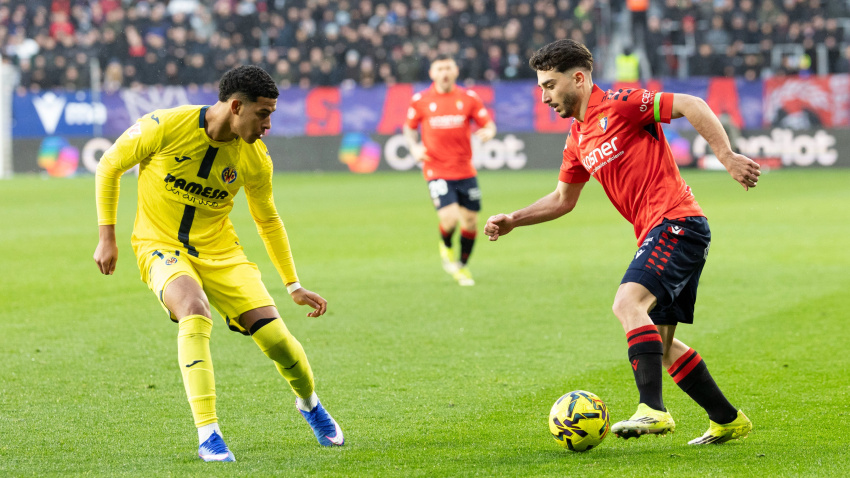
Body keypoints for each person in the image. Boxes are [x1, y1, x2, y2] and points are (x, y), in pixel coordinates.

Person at [484, 40, 759, 445]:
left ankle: (653, 410)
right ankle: (727, 419)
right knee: (662, 347)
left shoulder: (621, 103)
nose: (544, 97)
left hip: (677, 223)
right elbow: (563, 199)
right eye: (541, 88)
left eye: (549, 85)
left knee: (627, 304)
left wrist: (727, 156)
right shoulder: (578, 138)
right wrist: (514, 220)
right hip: (662, 230)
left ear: (578, 78)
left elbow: (691, 104)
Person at [93, 65, 344, 462]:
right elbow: (110, 166)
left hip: (223, 253)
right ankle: (208, 434)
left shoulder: (256, 159)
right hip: (160, 245)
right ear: (236, 106)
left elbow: (268, 220)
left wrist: (293, 285)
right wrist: (107, 237)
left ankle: (309, 404)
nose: (268, 125)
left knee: (276, 341)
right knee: (193, 310)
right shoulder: (165, 125)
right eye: (263, 113)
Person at [403, 54, 497, 286]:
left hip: (465, 169)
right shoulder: (421, 100)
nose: (444, 72)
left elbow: (488, 124)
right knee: (450, 218)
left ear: (455, 71)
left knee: (471, 221)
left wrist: (490, 132)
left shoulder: (468, 98)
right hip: (436, 169)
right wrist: (414, 148)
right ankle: (446, 246)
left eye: (448, 68)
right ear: (432, 73)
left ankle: (462, 265)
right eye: (440, 68)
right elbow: (409, 127)